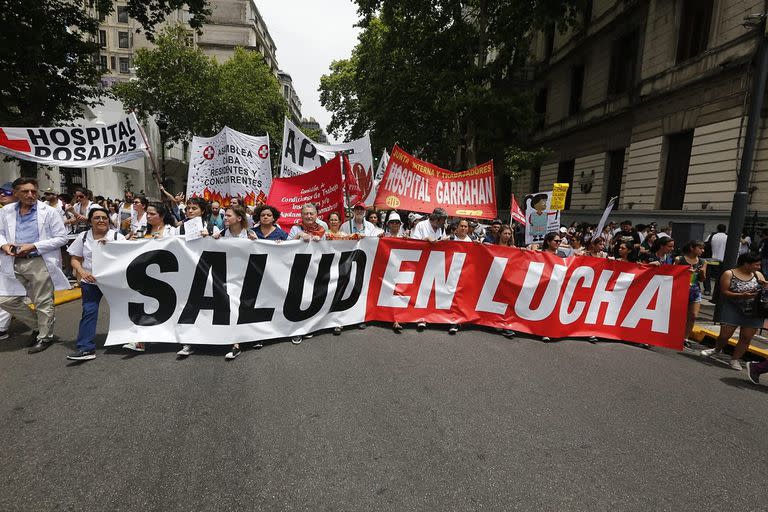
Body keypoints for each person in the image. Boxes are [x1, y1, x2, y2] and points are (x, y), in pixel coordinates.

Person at [0, 178, 70, 354]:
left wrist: (34, 246)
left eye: (33, 191)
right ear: (16, 193)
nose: (30, 195)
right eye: (25, 191)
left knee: (42, 301)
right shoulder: (7, 211)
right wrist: (4, 245)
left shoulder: (49, 212)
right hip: (13, 261)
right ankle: (39, 326)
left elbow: (62, 238)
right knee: (5, 298)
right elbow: (0, 232)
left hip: (39, 260)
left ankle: (45, 336)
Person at [66, 208, 125, 361]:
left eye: (104, 218)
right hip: (90, 282)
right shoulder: (83, 236)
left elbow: (127, 257)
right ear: (90, 221)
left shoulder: (117, 236)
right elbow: (75, 259)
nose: (101, 220)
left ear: (108, 220)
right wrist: (82, 272)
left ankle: (134, 339)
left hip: (114, 283)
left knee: (125, 310)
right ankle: (86, 348)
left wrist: (112, 247)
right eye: (97, 218)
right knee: (89, 311)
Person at [122, 202, 177, 353]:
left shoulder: (172, 231)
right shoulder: (142, 230)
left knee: (165, 308)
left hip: (167, 277)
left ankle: (169, 336)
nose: (149, 216)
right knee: (144, 307)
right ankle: (140, 341)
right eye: (148, 213)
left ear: (162, 216)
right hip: (145, 276)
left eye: (152, 214)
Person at [701, 253, 767, 371]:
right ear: (746, 264)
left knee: (746, 337)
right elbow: (725, 292)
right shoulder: (729, 273)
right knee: (725, 335)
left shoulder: (758, 275)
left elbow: (764, 290)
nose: (759, 267)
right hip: (733, 307)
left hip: (754, 310)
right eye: (756, 264)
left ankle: (735, 359)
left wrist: (765, 286)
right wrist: (742, 295)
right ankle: (717, 349)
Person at [675, 240, 707, 345]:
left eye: (703, 248)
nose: (702, 250)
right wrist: (685, 273)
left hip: (695, 290)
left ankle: (685, 338)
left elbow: (702, 279)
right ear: (692, 248)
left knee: (693, 315)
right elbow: (672, 274)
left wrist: (702, 273)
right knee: (676, 314)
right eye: (700, 248)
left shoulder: (703, 262)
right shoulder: (680, 259)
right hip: (680, 289)